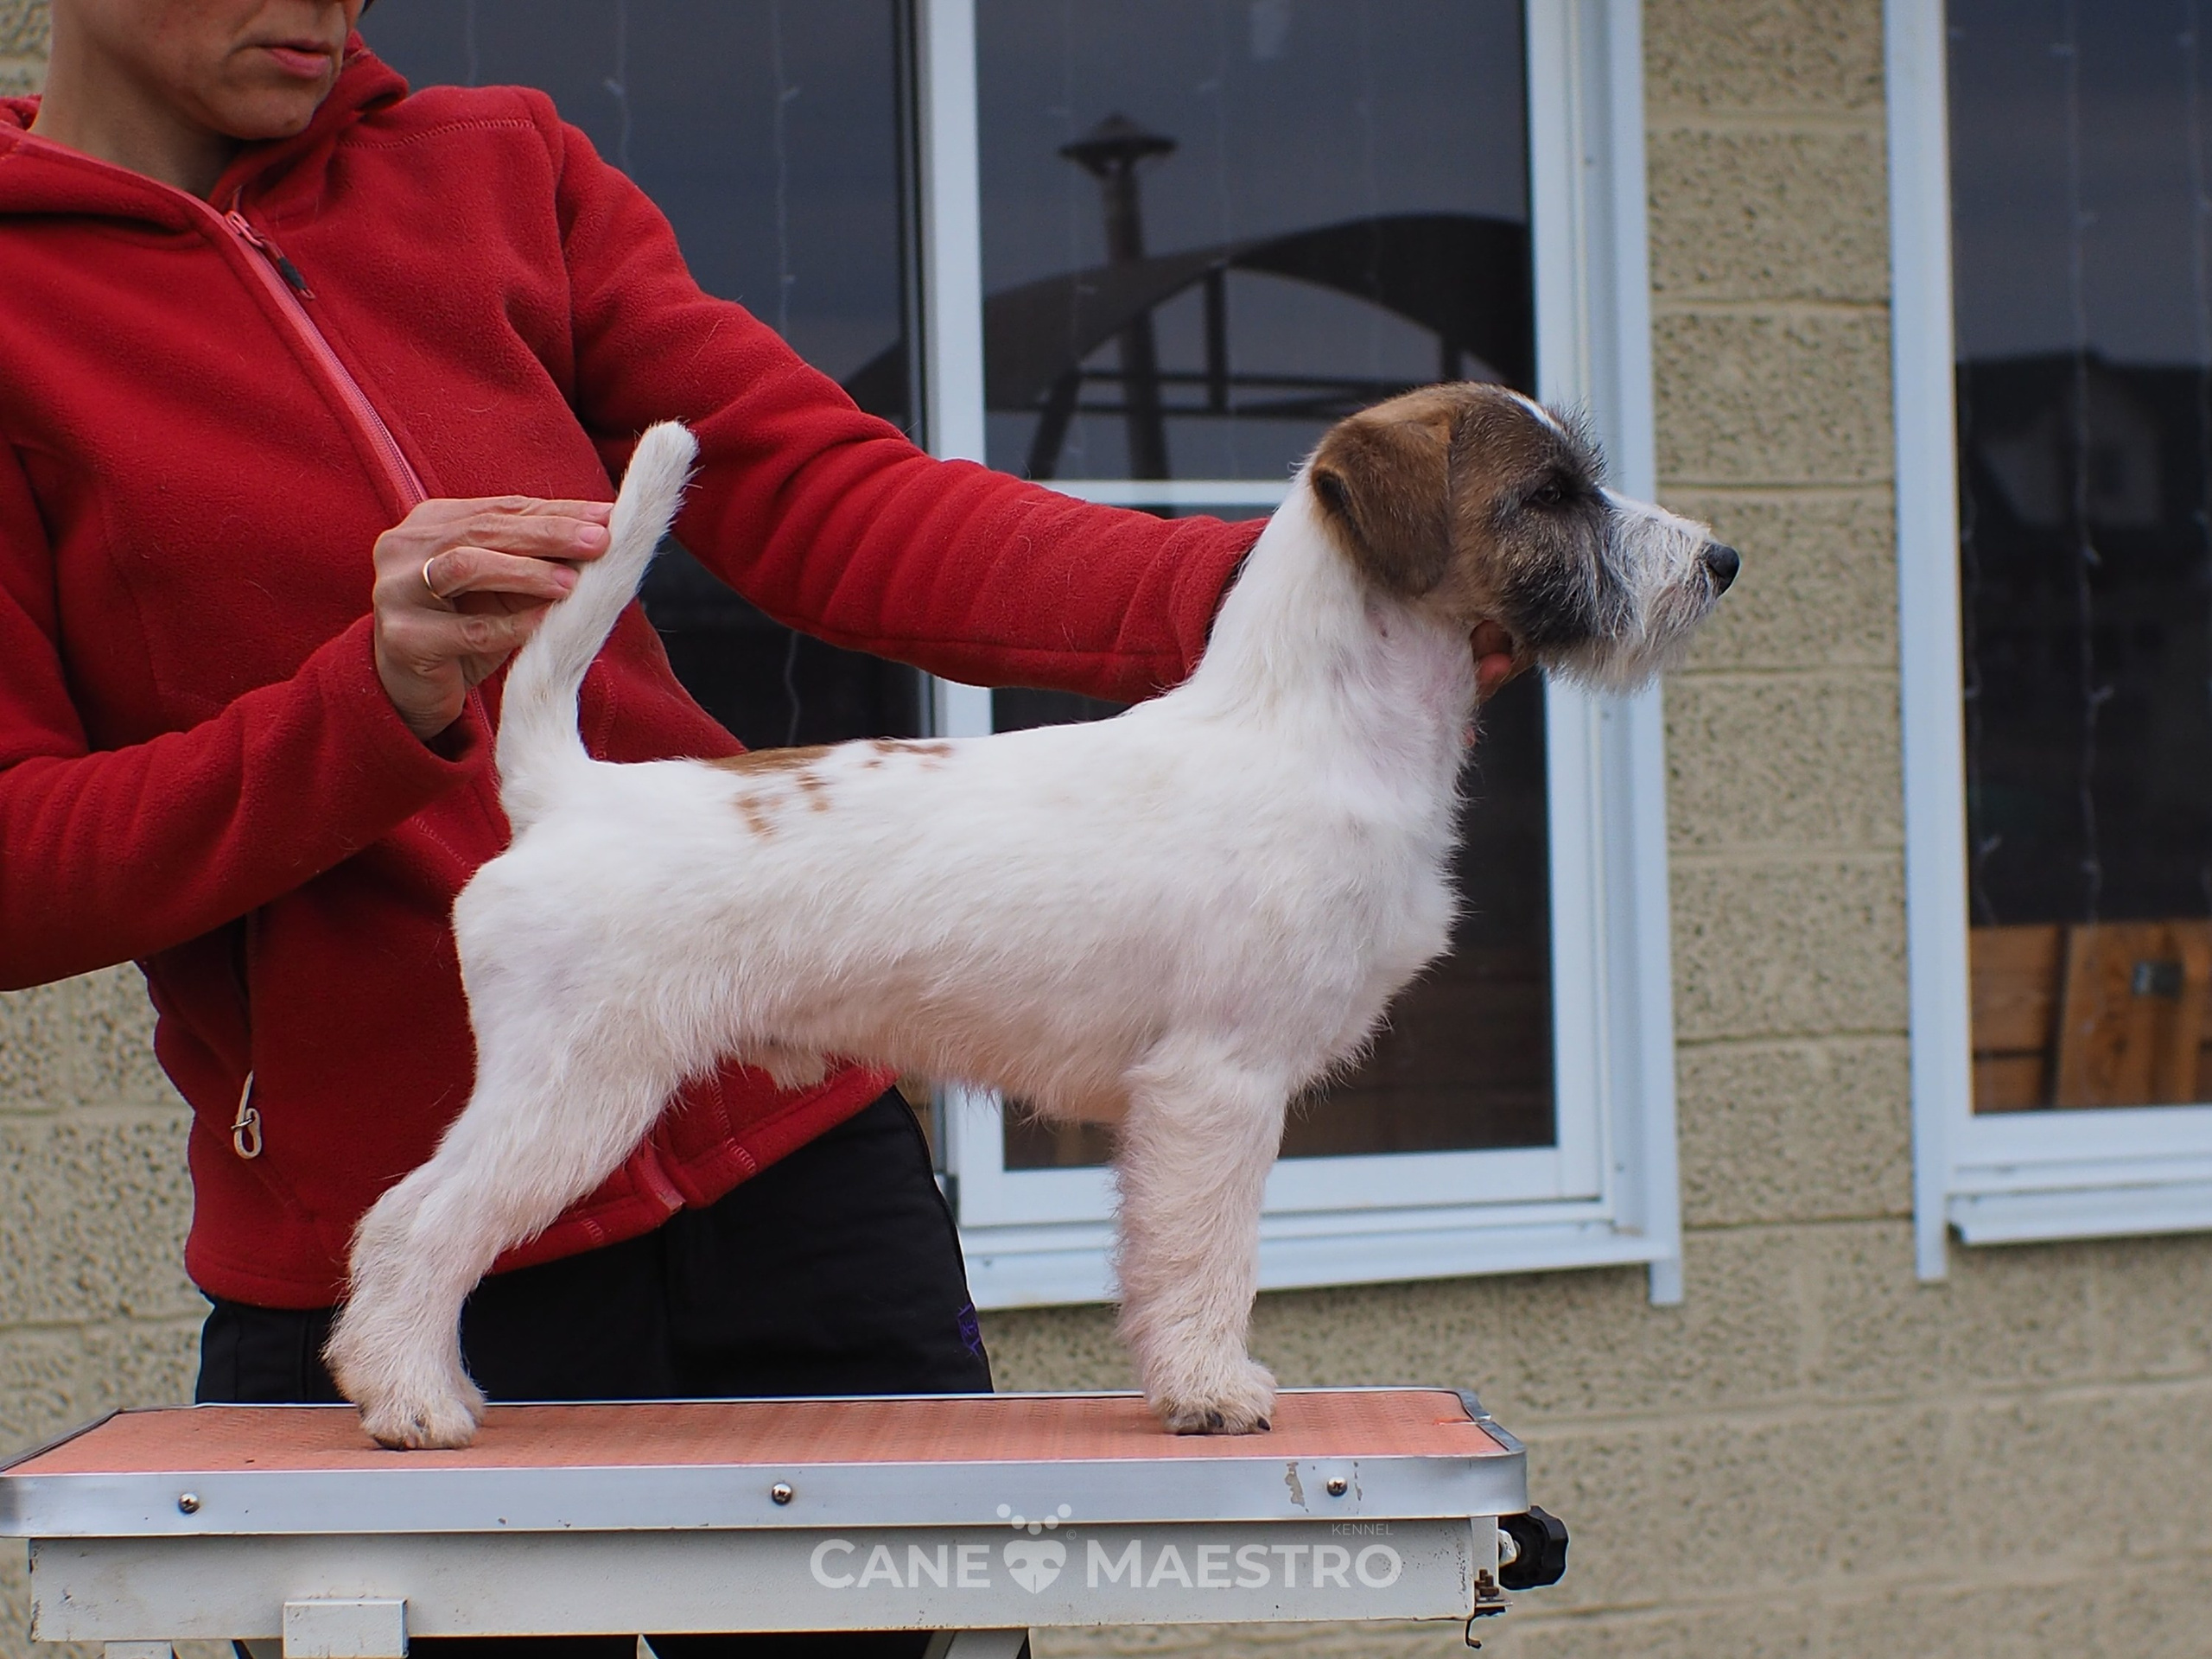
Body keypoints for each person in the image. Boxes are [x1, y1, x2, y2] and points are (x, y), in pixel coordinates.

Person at [0, 3, 1271, 1655]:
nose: (326, 6)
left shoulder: (500, 167)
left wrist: (1267, 593)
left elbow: (826, 495)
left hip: (802, 1194)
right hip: (410, 1256)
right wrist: (369, 707)